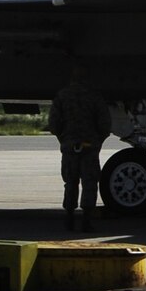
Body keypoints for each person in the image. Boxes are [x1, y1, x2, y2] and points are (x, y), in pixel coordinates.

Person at [46, 67, 112, 232]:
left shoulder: (62, 96)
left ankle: (69, 218)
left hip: (69, 146)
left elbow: (53, 124)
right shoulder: (94, 96)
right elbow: (105, 125)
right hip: (89, 147)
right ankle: (86, 220)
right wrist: (97, 141)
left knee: (70, 182)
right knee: (89, 183)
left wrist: (63, 139)